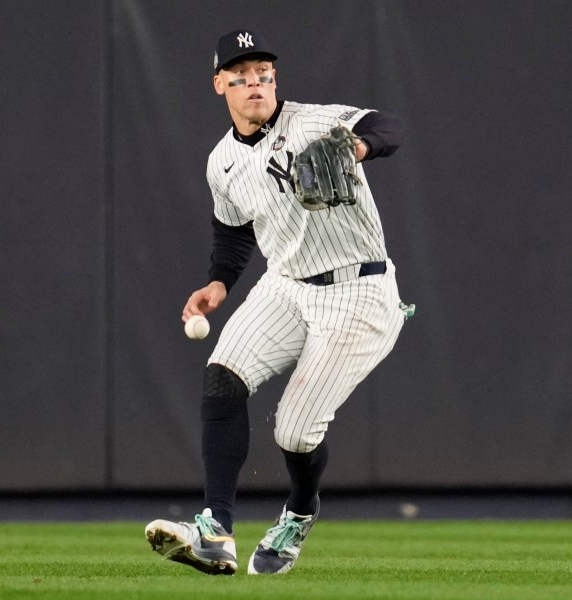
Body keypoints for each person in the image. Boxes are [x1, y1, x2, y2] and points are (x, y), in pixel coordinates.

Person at [145, 28, 410, 576]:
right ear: (220, 85)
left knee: (293, 431)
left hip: (357, 288)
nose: (254, 85)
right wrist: (219, 282)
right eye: (240, 77)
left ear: (274, 80)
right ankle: (215, 531)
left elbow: (389, 126)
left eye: (263, 74)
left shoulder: (314, 122)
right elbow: (234, 230)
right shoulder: (222, 161)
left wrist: (360, 146)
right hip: (286, 283)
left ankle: (300, 510)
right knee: (223, 374)